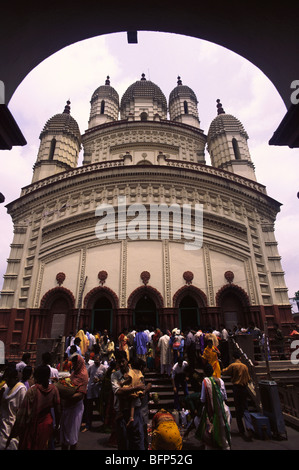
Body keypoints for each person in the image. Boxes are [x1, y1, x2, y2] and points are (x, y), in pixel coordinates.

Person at [7, 365, 61, 450]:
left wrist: (14, 433)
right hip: (47, 424)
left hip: (33, 426)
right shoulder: (54, 389)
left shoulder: (32, 391)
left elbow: (22, 414)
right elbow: (58, 410)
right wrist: (57, 426)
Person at [111, 352, 145, 450]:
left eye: (122, 361)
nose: (121, 364)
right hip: (121, 411)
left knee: (137, 441)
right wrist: (136, 387)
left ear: (126, 361)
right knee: (123, 442)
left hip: (135, 410)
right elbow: (118, 391)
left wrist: (137, 389)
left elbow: (141, 388)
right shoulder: (114, 375)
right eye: (119, 362)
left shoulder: (135, 373)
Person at [196, 363, 231, 450]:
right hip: (223, 409)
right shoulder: (220, 381)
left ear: (204, 372)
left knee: (208, 433)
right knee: (224, 435)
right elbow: (225, 397)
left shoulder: (205, 381)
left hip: (210, 410)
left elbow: (203, 399)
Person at [221, 350, 254, 441]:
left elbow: (224, 372)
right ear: (240, 357)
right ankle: (249, 426)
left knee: (238, 409)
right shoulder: (245, 366)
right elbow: (248, 378)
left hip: (236, 388)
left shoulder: (233, 366)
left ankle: (241, 430)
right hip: (243, 388)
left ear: (233, 358)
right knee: (245, 408)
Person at [59, 353, 88, 450]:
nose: (73, 364)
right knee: (64, 433)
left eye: (75, 362)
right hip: (67, 406)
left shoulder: (83, 375)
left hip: (75, 408)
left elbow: (80, 395)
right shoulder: (74, 373)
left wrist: (66, 396)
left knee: (71, 435)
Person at [0, 365, 27, 450]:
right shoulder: (7, 389)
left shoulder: (21, 389)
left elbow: (23, 412)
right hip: (4, 425)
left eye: (9, 379)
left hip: (14, 427)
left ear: (15, 378)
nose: (7, 382)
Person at [82, 354, 108, 432]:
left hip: (99, 391)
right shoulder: (91, 367)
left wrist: (100, 380)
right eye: (95, 360)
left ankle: (104, 424)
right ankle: (88, 425)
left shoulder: (103, 368)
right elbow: (88, 375)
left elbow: (105, 378)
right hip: (91, 389)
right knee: (89, 409)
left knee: (100, 408)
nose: (96, 362)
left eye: (98, 360)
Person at [117, 358, 144, 428]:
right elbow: (142, 381)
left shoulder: (131, 372)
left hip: (131, 389)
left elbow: (129, 380)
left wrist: (122, 383)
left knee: (120, 395)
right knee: (133, 405)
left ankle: (121, 412)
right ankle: (131, 417)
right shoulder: (140, 372)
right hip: (137, 391)